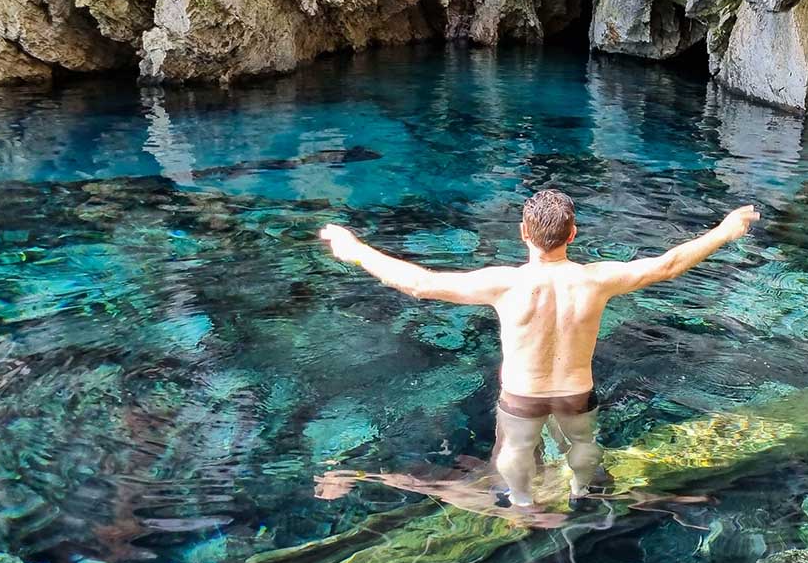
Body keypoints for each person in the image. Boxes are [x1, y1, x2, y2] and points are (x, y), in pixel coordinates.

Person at [320, 190, 760, 508]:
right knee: (582, 442)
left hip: (523, 396)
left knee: (514, 450)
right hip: (575, 391)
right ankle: (581, 489)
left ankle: (523, 501)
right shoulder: (596, 280)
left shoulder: (505, 283)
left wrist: (355, 249)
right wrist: (725, 230)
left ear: (523, 234)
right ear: (573, 232)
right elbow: (668, 265)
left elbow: (419, 283)